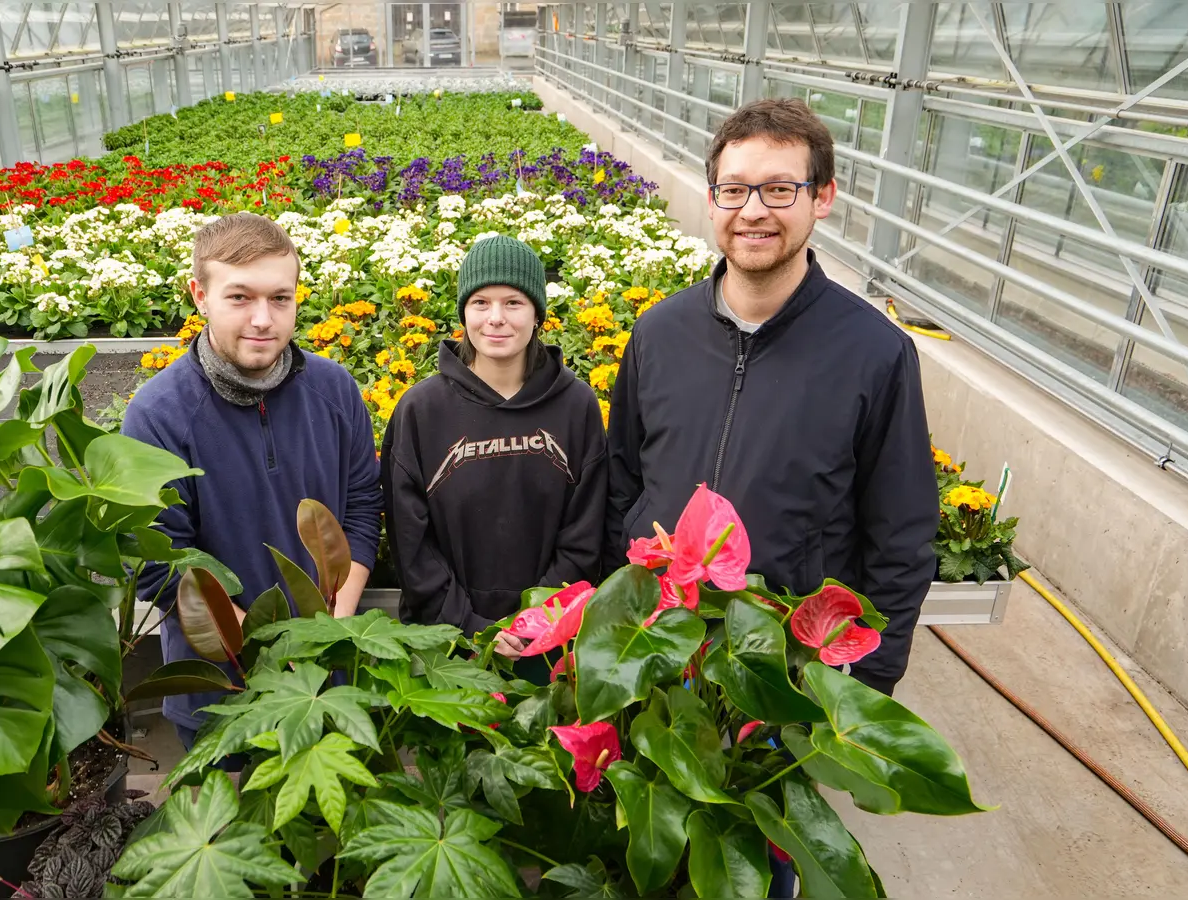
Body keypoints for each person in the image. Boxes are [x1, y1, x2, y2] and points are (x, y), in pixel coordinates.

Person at [607, 97, 937, 694]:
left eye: (780, 190)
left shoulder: (874, 354)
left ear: (823, 198)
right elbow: (622, 478)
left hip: (786, 668)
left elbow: (902, 537)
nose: (753, 211)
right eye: (733, 190)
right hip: (661, 644)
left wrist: (865, 682)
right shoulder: (659, 333)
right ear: (711, 200)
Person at [123, 212, 382, 754]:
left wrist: (327, 629)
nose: (263, 319)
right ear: (200, 295)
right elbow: (160, 563)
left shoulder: (333, 391)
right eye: (239, 297)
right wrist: (267, 648)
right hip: (220, 694)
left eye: (280, 298)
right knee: (230, 831)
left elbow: (361, 505)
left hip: (324, 684)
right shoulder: (159, 415)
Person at [382, 234, 606, 666]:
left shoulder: (576, 406)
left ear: (537, 313)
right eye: (481, 302)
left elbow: (585, 531)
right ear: (464, 310)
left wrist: (535, 622)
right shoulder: (421, 410)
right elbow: (410, 543)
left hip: (550, 647)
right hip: (447, 647)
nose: (496, 318)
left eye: (514, 303)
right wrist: (472, 629)